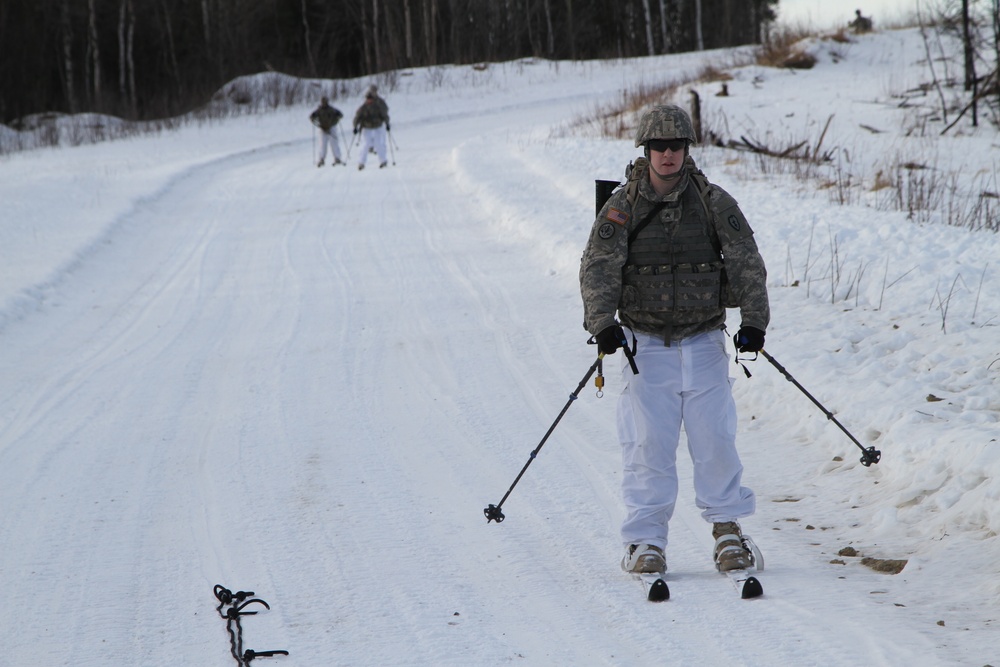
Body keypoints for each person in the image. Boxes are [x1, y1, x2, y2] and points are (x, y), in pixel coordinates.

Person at [579, 104, 770, 575]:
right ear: (646, 150)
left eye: (676, 146)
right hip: (645, 346)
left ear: (686, 150)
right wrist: (601, 323)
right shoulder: (621, 205)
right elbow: (598, 266)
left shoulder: (712, 201)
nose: (667, 155)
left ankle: (728, 533)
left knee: (715, 441)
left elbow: (745, 258)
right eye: (659, 146)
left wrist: (755, 321)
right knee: (648, 445)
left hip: (704, 340)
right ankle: (644, 541)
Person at [352, 85, 391, 170]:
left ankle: (383, 161)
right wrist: (355, 127)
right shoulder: (363, 107)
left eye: (370, 98)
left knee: (378, 144)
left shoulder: (378, 106)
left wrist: (387, 124)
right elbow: (357, 117)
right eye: (368, 99)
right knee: (365, 145)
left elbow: (384, 115)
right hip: (367, 128)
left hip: (377, 127)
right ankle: (361, 163)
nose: (369, 100)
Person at [309, 96, 344, 167]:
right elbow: (312, 117)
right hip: (322, 129)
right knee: (322, 144)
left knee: (334, 143)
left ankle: (337, 158)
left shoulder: (331, 109)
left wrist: (334, 122)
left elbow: (340, 115)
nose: (324, 103)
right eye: (323, 102)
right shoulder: (319, 110)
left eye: (325, 102)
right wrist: (318, 124)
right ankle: (321, 159)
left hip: (331, 128)